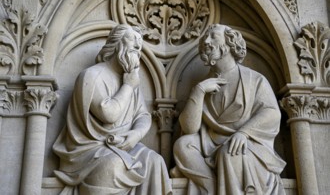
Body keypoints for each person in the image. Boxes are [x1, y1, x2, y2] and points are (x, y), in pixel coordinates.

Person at [53, 24, 172, 195]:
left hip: (124, 145)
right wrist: (128, 86)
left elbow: (143, 115)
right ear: (116, 43)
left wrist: (135, 135)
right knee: (114, 165)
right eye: (133, 41)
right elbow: (109, 114)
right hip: (91, 149)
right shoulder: (92, 76)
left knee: (155, 161)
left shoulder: (130, 80)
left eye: (140, 44)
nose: (138, 47)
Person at [173, 24, 286, 195]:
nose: (206, 42)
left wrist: (244, 133)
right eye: (205, 38)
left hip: (247, 142)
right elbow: (190, 128)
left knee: (230, 152)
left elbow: (271, 112)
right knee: (183, 145)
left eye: (213, 37)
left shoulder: (254, 79)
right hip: (210, 142)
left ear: (229, 43)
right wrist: (199, 91)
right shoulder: (204, 84)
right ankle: (211, 188)